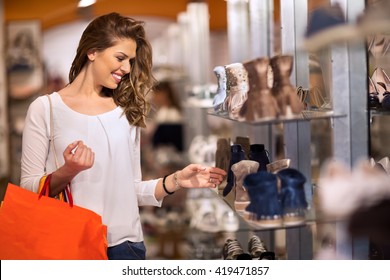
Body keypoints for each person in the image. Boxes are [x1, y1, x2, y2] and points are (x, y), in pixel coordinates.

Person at [20, 12, 226, 260]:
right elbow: (28, 189)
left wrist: (177, 181)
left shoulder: (125, 113)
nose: (127, 68)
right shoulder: (46, 109)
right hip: (71, 244)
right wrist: (68, 171)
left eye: (130, 60)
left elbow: (131, 189)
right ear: (92, 51)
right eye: (120, 58)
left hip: (127, 247)